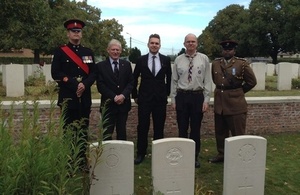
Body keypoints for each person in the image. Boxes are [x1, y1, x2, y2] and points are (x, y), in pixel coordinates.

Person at [51, 19, 96, 171]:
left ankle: (82, 161)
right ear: (68, 33)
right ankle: (69, 162)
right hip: (68, 98)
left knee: (83, 130)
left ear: (81, 34)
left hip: (84, 99)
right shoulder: (60, 51)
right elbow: (55, 73)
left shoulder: (88, 52)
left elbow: (93, 73)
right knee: (68, 131)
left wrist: (85, 84)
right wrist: (74, 84)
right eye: (73, 31)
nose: (76, 33)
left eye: (79, 31)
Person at [209, 40, 257, 163]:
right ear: (222, 51)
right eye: (225, 49)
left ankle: (238, 156)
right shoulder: (215, 63)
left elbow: (252, 82)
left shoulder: (242, 64)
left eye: (229, 49)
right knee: (220, 132)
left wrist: (238, 92)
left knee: (237, 133)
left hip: (236, 105)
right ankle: (222, 155)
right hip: (220, 104)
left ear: (234, 51)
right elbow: (216, 81)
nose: (227, 51)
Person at [170, 33, 211, 168]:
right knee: (182, 128)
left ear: (197, 44)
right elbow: (174, 81)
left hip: (197, 96)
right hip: (182, 96)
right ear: (184, 44)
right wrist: (173, 99)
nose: (191, 44)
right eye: (188, 42)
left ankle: (194, 156)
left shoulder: (203, 59)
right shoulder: (178, 60)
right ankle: (182, 154)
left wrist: (206, 100)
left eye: (193, 41)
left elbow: (207, 80)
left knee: (195, 128)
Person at [132, 34, 172, 165]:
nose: (154, 45)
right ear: (148, 44)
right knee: (142, 126)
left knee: (159, 127)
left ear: (159, 45)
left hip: (160, 99)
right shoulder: (141, 60)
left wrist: (166, 94)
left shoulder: (165, 60)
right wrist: (135, 95)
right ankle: (141, 153)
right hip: (144, 99)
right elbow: (134, 78)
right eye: (152, 43)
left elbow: (169, 79)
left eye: (156, 43)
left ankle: (158, 152)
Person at [96, 39, 133, 140]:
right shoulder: (100, 66)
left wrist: (123, 95)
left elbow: (131, 83)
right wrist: (114, 97)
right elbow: (101, 85)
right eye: (113, 49)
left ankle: (122, 155)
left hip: (123, 105)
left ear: (121, 51)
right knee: (107, 133)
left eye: (117, 50)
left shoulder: (126, 65)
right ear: (108, 50)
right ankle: (107, 155)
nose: (115, 52)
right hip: (108, 105)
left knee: (122, 132)